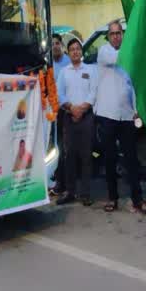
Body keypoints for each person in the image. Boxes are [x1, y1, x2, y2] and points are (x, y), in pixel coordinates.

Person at [95, 21, 146, 215]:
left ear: (123, 34)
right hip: (108, 114)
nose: (116, 37)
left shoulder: (129, 53)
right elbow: (120, 58)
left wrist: (137, 108)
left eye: (119, 33)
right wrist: (137, 49)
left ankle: (138, 199)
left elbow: (133, 85)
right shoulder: (104, 52)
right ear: (108, 36)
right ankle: (112, 198)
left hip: (127, 114)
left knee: (131, 159)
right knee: (110, 159)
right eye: (112, 34)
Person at [56, 38, 97, 206]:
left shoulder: (90, 70)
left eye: (78, 49)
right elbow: (59, 94)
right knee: (70, 156)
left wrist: (82, 109)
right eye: (72, 49)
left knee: (86, 155)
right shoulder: (64, 72)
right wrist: (72, 108)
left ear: (81, 51)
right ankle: (70, 192)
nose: (75, 52)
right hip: (69, 117)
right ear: (69, 52)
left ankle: (85, 193)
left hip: (87, 117)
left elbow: (94, 92)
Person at [49, 33, 72, 196]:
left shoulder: (69, 62)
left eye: (57, 43)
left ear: (62, 45)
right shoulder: (47, 63)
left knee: (66, 148)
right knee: (55, 147)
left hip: (67, 110)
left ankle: (68, 183)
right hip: (52, 112)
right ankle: (58, 181)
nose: (55, 46)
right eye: (52, 44)